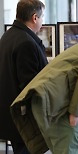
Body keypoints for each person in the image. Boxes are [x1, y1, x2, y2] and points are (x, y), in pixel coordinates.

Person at [0, 0, 48, 153]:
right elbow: (30, 87)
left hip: (11, 118)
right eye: (42, 17)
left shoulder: (8, 36)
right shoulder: (26, 43)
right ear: (35, 18)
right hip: (25, 122)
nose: (42, 22)